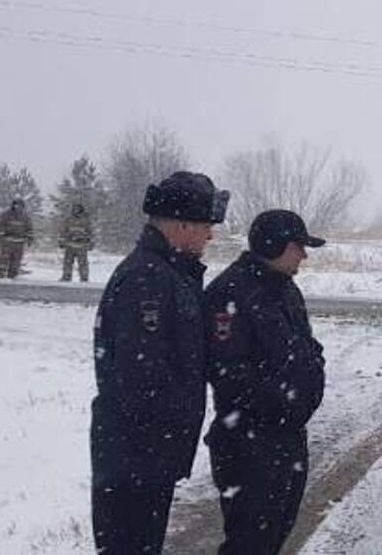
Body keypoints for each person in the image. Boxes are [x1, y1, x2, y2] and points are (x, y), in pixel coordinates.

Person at [91, 171, 229, 554]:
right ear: (182, 224)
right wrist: (165, 435)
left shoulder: (168, 274)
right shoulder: (147, 281)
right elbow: (141, 378)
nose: (210, 235)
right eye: (206, 225)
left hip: (145, 454)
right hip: (135, 455)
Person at [204, 209, 327, 555]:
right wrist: (284, 403)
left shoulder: (286, 290)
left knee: (272, 539)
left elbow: (309, 349)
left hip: (286, 440)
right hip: (249, 446)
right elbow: (230, 375)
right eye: (298, 246)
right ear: (274, 246)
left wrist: (309, 387)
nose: (304, 254)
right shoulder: (229, 294)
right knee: (249, 544)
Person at [59, 202, 95, 282]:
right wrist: (61, 241)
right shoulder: (68, 219)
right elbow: (63, 230)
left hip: (82, 245)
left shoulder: (86, 220)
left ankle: (84, 277)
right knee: (68, 262)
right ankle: (66, 276)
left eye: (77, 209)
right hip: (70, 245)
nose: (76, 210)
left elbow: (91, 232)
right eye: (74, 209)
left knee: (83, 263)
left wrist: (91, 243)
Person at [0, 198, 34, 278]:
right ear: (13, 205)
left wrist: (30, 238)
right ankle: (0, 274)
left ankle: (13, 275)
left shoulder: (25, 217)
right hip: (7, 241)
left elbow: (29, 228)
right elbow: (0, 226)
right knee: (4, 259)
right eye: (16, 205)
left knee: (16, 260)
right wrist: (1, 238)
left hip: (19, 242)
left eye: (20, 205)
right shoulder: (6, 215)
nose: (18, 207)